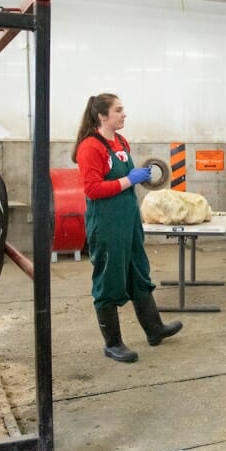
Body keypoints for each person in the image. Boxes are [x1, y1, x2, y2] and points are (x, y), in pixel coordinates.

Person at [72, 93, 183, 363]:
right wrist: (127, 180)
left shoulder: (120, 141)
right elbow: (93, 189)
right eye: (119, 110)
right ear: (102, 116)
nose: (124, 114)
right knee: (109, 278)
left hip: (129, 220)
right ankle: (112, 343)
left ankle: (154, 329)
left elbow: (123, 177)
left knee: (138, 271)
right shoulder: (90, 147)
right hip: (107, 223)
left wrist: (138, 178)